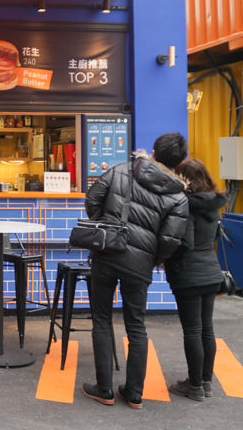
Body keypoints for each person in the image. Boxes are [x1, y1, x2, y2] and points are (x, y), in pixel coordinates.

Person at [81, 132, 189, 409]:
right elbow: (170, 240)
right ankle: (134, 393)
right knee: (136, 325)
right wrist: (154, 258)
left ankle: (103, 389)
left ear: (153, 152)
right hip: (140, 264)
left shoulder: (120, 170)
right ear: (179, 162)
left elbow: (92, 200)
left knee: (102, 320)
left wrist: (106, 228)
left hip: (106, 254)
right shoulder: (178, 195)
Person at [165, 158, 228, 402]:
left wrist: (166, 253)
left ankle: (193, 386)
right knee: (206, 328)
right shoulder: (212, 204)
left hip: (189, 274)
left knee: (192, 329)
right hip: (211, 272)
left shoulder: (186, 205)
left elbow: (185, 244)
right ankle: (205, 382)